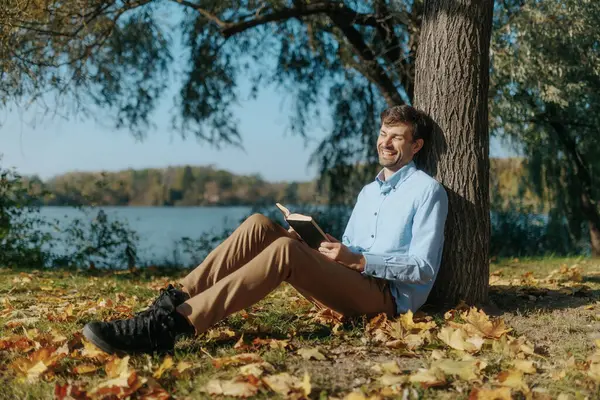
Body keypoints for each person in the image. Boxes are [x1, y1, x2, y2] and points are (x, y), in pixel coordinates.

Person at [82, 105, 449, 355]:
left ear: (415, 146)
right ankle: (167, 305)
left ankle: (171, 329)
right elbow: (349, 245)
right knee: (260, 226)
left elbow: (423, 267)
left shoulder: (427, 192)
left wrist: (360, 259)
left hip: (386, 299)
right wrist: (321, 242)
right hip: (349, 279)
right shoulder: (369, 191)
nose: (385, 142)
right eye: (384, 133)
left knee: (285, 253)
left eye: (397, 137)